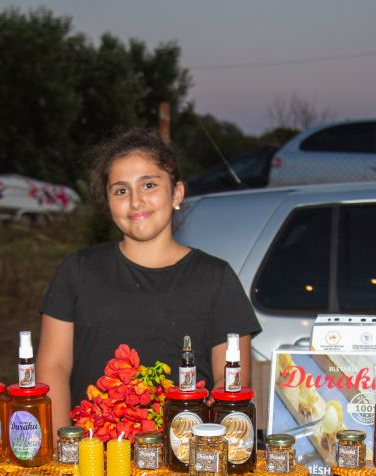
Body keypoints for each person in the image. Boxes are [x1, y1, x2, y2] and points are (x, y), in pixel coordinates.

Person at [37, 128, 261, 429]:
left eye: (149, 185)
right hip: (92, 462)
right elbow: (54, 366)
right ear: (108, 202)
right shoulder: (77, 271)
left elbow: (230, 381)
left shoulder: (216, 278)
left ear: (177, 193)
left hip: (183, 463)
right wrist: (60, 455)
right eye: (120, 190)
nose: (136, 201)